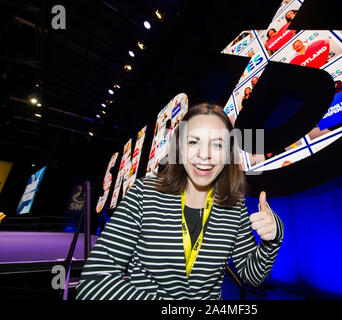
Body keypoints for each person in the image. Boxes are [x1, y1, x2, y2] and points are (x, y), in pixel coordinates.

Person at [76, 103, 284, 300]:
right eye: (194, 142)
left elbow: (252, 276)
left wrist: (272, 238)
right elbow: (94, 281)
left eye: (217, 144)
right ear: (180, 148)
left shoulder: (233, 205)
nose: (205, 155)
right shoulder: (143, 194)